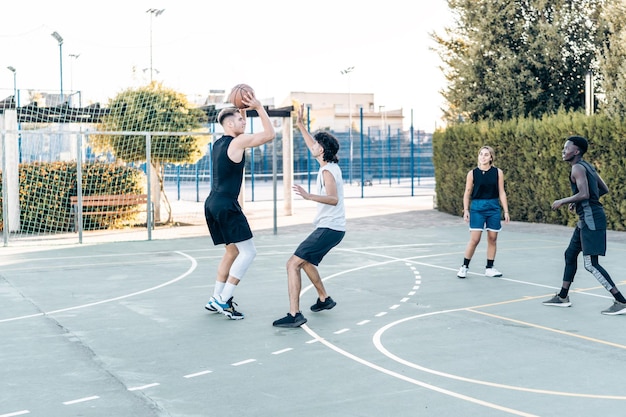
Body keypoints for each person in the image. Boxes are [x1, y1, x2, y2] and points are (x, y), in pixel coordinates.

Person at [272, 104, 346, 328]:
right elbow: (310, 143)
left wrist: (308, 196)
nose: (312, 146)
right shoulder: (329, 164)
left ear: (322, 149)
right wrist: (300, 125)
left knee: (292, 264)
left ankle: (294, 314)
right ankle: (324, 299)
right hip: (332, 228)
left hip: (329, 228)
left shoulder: (326, 171)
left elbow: (333, 199)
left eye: (316, 144)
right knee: (305, 262)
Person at [204, 92, 275, 319]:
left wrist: (242, 109)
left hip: (212, 203)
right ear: (230, 123)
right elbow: (270, 134)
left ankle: (215, 298)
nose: (245, 122)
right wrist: (259, 107)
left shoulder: (219, 143)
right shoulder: (239, 141)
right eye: (241, 119)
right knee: (249, 252)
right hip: (226, 204)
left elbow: (239, 124)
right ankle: (223, 300)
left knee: (232, 251)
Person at [543, 135, 626, 315]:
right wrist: (577, 202)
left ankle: (621, 301)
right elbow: (603, 189)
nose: (563, 151)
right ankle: (563, 297)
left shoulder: (577, 168)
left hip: (591, 220)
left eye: (566, 148)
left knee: (591, 264)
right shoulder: (587, 166)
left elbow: (585, 193)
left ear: (576, 151)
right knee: (570, 254)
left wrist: (563, 201)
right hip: (587, 219)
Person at [457, 146, 510, 279]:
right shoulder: (472, 173)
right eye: (481, 154)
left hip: (493, 207)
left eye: (486, 155)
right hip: (477, 208)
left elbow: (502, 192)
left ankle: (489, 268)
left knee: (493, 238)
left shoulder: (498, 172)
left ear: (491, 157)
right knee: (475, 239)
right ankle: (464, 267)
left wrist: (506, 210)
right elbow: (467, 192)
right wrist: (466, 210)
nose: (483, 157)